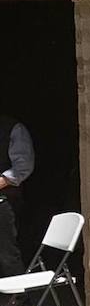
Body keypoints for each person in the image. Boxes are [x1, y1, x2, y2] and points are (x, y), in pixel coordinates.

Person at [0, 115, 35, 281]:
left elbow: (23, 167)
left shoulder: (13, 129)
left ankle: (18, 295)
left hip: (4, 200)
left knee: (6, 251)